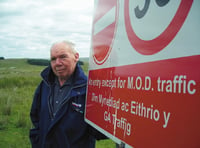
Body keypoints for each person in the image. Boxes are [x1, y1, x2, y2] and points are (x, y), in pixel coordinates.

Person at [29, 40, 106, 148]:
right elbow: (35, 117)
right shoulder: (45, 84)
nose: (57, 63)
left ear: (76, 57)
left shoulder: (89, 88)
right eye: (53, 59)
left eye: (63, 57)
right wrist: (36, 141)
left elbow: (98, 132)